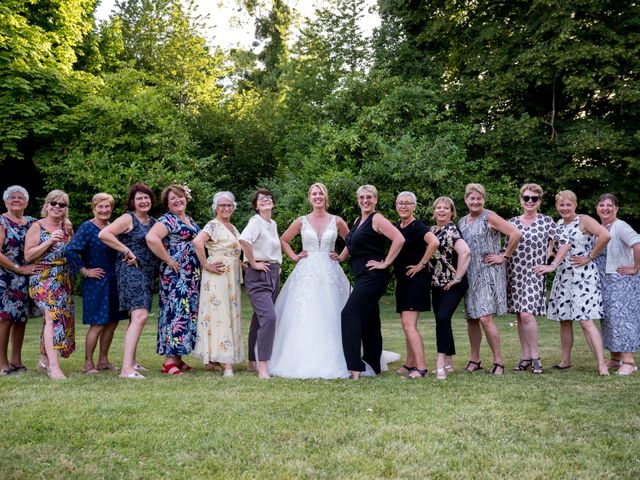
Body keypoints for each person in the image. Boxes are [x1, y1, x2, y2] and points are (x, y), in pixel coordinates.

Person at [269, 183, 352, 379]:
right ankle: (301, 357)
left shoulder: (337, 221)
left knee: (333, 311)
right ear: (309, 197)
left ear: (326, 197)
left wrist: (341, 256)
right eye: (314, 194)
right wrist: (294, 256)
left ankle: (338, 355)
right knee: (305, 313)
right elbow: (284, 240)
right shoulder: (301, 221)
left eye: (321, 193)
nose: (318, 197)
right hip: (306, 271)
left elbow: (352, 241)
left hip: (330, 271)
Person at [338, 185, 405, 380]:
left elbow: (398, 239)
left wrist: (386, 262)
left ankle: (355, 368)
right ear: (358, 199)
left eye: (369, 197)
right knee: (370, 320)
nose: (365, 200)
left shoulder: (377, 218)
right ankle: (373, 364)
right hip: (361, 275)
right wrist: (340, 257)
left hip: (373, 276)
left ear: (375, 199)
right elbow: (352, 244)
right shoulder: (359, 220)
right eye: (362, 197)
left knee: (349, 314)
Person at [507, 183, 570, 374]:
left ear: (539, 201)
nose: (529, 201)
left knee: (527, 314)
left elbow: (565, 243)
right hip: (514, 273)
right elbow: (506, 248)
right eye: (526, 198)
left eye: (534, 199)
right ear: (521, 200)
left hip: (534, 273)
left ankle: (535, 357)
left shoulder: (546, 221)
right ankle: (525, 357)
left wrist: (553, 265)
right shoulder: (512, 223)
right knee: (519, 314)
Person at [458, 183, 521, 374]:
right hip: (470, 274)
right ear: (466, 200)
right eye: (472, 198)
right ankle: (475, 360)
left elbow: (515, 233)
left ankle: (498, 361)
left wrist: (504, 256)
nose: (475, 201)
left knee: (485, 318)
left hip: (488, 272)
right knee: (472, 318)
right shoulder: (462, 221)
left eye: (479, 198)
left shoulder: (490, 216)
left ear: (483, 200)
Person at [547, 190, 610, 375]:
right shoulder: (557, 224)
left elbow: (605, 235)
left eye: (568, 204)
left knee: (585, 320)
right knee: (564, 320)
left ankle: (601, 364)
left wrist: (590, 256)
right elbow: (552, 247)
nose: (565, 208)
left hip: (583, 275)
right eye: (561, 205)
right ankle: (565, 360)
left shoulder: (584, 220)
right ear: (557, 206)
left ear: (575, 204)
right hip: (563, 275)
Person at [99, 182, 157, 379]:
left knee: (137, 317)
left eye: (146, 197)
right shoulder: (127, 218)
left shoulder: (152, 221)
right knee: (140, 316)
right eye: (138, 198)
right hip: (131, 270)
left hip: (147, 272)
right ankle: (126, 370)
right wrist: (126, 250)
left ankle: (132, 362)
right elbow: (104, 234)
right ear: (132, 202)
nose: (143, 201)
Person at [65, 193, 127, 374]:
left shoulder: (113, 228)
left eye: (107, 207)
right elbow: (71, 251)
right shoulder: (87, 227)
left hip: (115, 281)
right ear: (94, 208)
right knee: (98, 323)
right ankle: (88, 364)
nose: (104, 210)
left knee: (113, 322)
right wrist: (85, 271)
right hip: (97, 282)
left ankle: (103, 361)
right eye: (100, 206)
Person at [146, 184, 201, 376]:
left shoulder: (188, 219)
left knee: (187, 312)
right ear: (167, 204)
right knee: (175, 312)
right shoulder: (167, 220)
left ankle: (177, 357)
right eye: (173, 199)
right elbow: (152, 238)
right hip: (176, 275)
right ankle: (168, 360)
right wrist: (168, 259)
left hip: (191, 275)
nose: (178, 201)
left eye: (180, 197)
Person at [24, 190, 75, 380]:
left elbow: (72, 252)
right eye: (53, 203)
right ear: (46, 205)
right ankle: (54, 367)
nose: (57, 207)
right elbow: (28, 255)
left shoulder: (67, 228)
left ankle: (44, 358)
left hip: (63, 277)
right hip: (43, 276)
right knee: (52, 317)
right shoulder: (37, 226)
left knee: (51, 318)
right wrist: (49, 241)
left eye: (62, 205)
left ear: (65, 209)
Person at [193, 192, 243, 377]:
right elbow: (197, 242)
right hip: (218, 275)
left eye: (229, 205)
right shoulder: (212, 225)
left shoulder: (231, 227)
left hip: (232, 275)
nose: (226, 208)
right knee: (220, 314)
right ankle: (227, 363)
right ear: (215, 207)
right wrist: (206, 264)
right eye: (222, 205)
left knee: (229, 313)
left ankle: (215, 359)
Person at [393, 191, 439, 379]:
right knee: (406, 325)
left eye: (407, 203)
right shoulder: (398, 227)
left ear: (414, 206)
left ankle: (421, 368)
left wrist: (421, 264)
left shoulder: (418, 226)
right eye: (400, 203)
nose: (403, 206)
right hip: (403, 280)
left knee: (409, 324)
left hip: (416, 281)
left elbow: (434, 242)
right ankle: (410, 363)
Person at [593, 193, 640, 376]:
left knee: (623, 320)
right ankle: (615, 358)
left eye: (609, 205)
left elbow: (637, 244)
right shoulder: (602, 227)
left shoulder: (620, 226)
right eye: (602, 205)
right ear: (597, 208)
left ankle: (629, 361)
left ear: (616, 208)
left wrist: (635, 267)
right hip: (606, 281)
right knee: (610, 320)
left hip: (622, 281)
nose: (605, 208)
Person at [239, 188, 282, 379]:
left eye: (268, 198)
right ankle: (263, 366)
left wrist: (277, 267)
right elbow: (244, 240)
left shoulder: (272, 223)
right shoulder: (255, 222)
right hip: (258, 275)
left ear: (273, 202)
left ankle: (251, 360)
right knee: (270, 318)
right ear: (256, 206)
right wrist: (254, 262)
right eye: (260, 199)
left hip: (272, 273)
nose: (265, 200)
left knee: (259, 318)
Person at [429, 197, 471, 379]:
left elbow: (465, 252)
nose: (441, 211)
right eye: (438, 208)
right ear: (434, 212)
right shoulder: (432, 231)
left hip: (452, 284)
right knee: (442, 320)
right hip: (437, 284)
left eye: (446, 208)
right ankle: (449, 363)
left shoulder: (451, 230)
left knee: (443, 317)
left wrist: (457, 277)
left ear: (452, 212)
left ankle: (440, 364)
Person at [0, 186, 39, 376]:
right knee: (5, 320)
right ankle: (2, 363)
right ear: (5, 201)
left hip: (26, 279)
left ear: (27, 202)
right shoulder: (1, 221)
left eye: (20, 197)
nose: (16, 199)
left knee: (21, 319)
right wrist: (18, 268)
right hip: (5, 278)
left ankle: (16, 360)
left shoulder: (32, 222)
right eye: (12, 197)